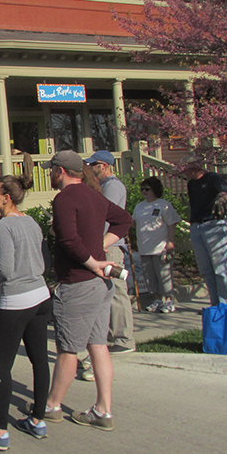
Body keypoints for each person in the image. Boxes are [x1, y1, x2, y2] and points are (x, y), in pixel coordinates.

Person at [41, 150, 132, 432]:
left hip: (79, 283)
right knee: (98, 345)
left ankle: (52, 405)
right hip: (101, 285)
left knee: (68, 349)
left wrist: (93, 261)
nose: (50, 174)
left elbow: (68, 239)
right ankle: (103, 410)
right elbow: (125, 221)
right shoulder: (95, 195)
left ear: (60, 171)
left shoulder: (65, 198)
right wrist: (101, 246)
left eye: (52, 169)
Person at [0, 156, 52, 451]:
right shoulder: (30, 222)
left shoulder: (2, 227)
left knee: (1, 365)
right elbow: (40, 261)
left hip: (16, 300)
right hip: (41, 296)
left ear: (6, 197)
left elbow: (8, 269)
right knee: (39, 358)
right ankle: (38, 419)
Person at [84, 150, 135, 354]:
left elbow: (107, 216)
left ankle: (124, 339)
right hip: (103, 245)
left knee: (117, 292)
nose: (89, 168)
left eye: (93, 164)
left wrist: (101, 242)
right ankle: (112, 335)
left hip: (110, 246)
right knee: (107, 292)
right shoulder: (101, 186)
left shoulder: (113, 185)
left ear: (104, 165)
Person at [181, 154, 227, 305]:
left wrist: (221, 198)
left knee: (221, 269)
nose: (185, 171)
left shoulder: (213, 178)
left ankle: (226, 305)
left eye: (187, 168)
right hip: (197, 226)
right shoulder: (191, 184)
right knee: (205, 269)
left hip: (214, 225)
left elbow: (225, 190)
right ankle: (215, 303)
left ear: (195, 167)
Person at [133, 177, 182, 313]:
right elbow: (134, 223)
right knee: (149, 277)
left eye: (147, 189)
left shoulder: (163, 205)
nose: (144, 192)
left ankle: (170, 301)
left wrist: (170, 242)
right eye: (142, 189)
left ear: (155, 189)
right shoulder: (139, 206)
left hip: (160, 248)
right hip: (144, 248)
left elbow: (172, 224)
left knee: (164, 275)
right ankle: (157, 299)